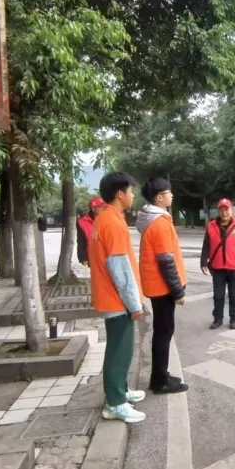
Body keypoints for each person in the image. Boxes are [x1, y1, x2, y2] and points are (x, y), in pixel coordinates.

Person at [88, 172, 147, 423]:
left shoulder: (104, 219)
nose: (133, 195)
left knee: (119, 349)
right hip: (117, 299)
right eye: (131, 191)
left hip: (110, 296)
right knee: (119, 352)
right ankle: (115, 403)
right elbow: (120, 269)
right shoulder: (112, 222)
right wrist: (134, 304)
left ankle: (121, 390)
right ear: (120, 194)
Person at [135, 178, 189, 395]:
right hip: (163, 287)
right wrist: (178, 291)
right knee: (163, 333)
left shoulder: (155, 220)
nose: (172, 195)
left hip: (158, 286)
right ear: (159, 197)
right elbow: (166, 260)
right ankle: (160, 380)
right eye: (169, 192)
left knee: (162, 331)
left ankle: (161, 375)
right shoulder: (159, 223)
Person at [201, 198, 235, 330]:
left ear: (231, 210)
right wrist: (203, 262)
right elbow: (206, 245)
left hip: (234, 267)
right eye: (221, 209)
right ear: (218, 211)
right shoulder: (211, 226)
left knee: (234, 295)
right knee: (218, 295)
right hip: (217, 268)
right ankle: (218, 319)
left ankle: (234, 319)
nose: (224, 212)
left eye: (226, 209)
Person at [76, 197, 107, 267]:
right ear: (93, 208)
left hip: (107, 256)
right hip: (93, 257)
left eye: (104, 206)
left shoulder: (106, 219)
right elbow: (81, 242)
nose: (103, 208)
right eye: (101, 207)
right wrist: (82, 257)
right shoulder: (82, 223)